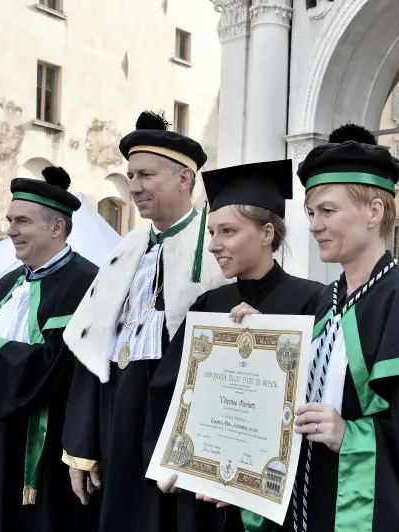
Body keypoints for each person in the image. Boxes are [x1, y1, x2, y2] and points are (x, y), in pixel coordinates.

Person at [195, 124, 399, 531]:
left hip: (360, 511)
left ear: (374, 211)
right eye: (312, 213)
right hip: (307, 501)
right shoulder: (325, 303)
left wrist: (350, 435)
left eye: (328, 211)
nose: (315, 225)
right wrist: (264, 348)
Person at [61, 110, 230, 532]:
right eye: (131, 175)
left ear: (184, 179)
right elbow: (90, 348)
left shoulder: (216, 249)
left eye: (145, 175)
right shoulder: (126, 248)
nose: (134, 186)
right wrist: (81, 448)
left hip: (178, 418)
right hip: (116, 412)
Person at [150, 159, 325, 530]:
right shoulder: (210, 307)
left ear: (266, 233)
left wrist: (267, 342)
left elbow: (320, 397)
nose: (213, 245)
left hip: (275, 503)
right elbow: (170, 390)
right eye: (211, 232)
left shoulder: (313, 304)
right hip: (202, 496)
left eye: (227, 231)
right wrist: (169, 461)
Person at [0, 166, 100, 532]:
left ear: (56, 227)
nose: (10, 230)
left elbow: (60, 370)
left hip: (49, 445)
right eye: (10, 220)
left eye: (22, 221)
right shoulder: (8, 282)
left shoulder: (88, 282)